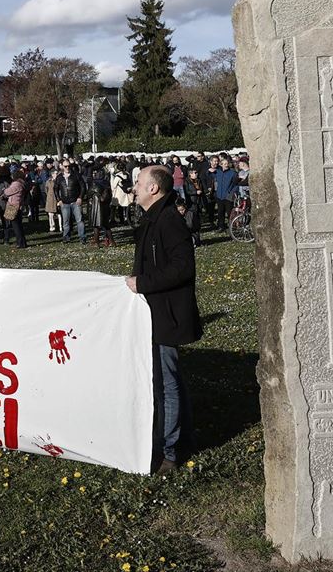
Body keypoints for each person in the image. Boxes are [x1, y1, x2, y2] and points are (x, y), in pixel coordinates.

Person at [125, 165, 202, 474]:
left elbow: (183, 267)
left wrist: (142, 283)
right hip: (156, 312)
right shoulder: (154, 218)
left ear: (153, 189)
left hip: (165, 316)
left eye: (139, 183)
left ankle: (170, 452)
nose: (134, 188)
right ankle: (180, 438)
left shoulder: (169, 221)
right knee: (167, 379)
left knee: (166, 384)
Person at [55, 161, 86, 244]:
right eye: (65, 166)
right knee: (66, 221)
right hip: (64, 202)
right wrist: (59, 200)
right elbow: (55, 189)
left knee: (79, 220)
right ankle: (66, 237)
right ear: (62, 167)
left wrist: (80, 197)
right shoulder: (59, 177)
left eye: (69, 166)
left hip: (75, 201)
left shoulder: (76, 175)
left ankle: (82, 237)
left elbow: (83, 186)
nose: (67, 168)